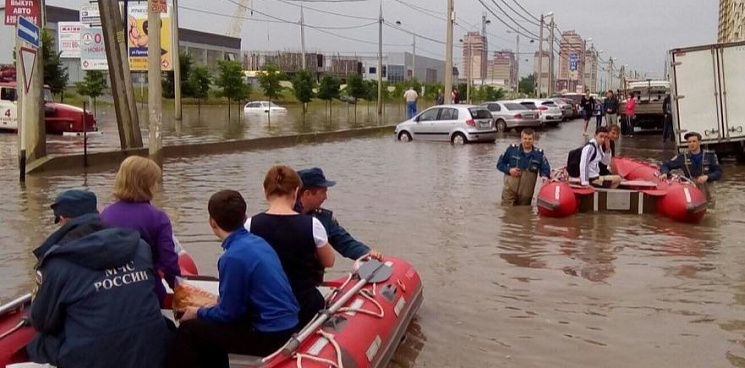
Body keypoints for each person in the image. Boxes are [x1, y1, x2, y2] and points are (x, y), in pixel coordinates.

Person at [27, 189, 170, 368]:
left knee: (38, 344)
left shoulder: (57, 262)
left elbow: (42, 321)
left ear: (62, 219)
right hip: (152, 351)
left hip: (93, 359)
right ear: (97, 212)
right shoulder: (139, 247)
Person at [169, 190, 299, 368]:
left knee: (189, 329)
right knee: (210, 328)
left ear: (212, 222)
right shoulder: (259, 243)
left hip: (270, 336)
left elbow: (229, 314)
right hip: (288, 325)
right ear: (245, 217)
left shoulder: (231, 258)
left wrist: (196, 312)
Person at [246, 166, 335, 327]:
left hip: (266, 306)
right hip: (304, 304)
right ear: (296, 192)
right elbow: (329, 261)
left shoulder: (250, 224)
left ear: (265, 192)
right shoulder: (312, 225)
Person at [101, 156, 181, 306]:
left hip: (111, 291)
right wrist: (179, 290)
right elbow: (169, 262)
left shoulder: (104, 214)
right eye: (156, 182)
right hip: (146, 289)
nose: (157, 186)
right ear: (148, 185)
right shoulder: (158, 218)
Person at [296, 167, 383, 262]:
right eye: (323, 192)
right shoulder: (285, 217)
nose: (326, 197)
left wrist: (366, 252)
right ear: (307, 194)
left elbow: (344, 241)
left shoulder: (323, 218)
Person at [658, 132, 722, 203]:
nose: (691, 144)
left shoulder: (710, 155)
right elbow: (665, 165)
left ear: (699, 142)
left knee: (710, 209)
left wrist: (707, 176)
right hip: (691, 186)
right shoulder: (682, 157)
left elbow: (718, 172)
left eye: (694, 141)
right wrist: (664, 173)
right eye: (689, 142)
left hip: (707, 186)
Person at [496, 128, 551, 206]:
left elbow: (545, 169)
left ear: (533, 140)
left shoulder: (539, 154)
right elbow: (500, 164)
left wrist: (544, 176)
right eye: (525, 138)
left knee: (524, 214)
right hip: (509, 192)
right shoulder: (511, 150)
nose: (527, 141)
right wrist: (509, 170)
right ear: (521, 139)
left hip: (526, 194)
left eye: (530, 139)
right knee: (507, 214)